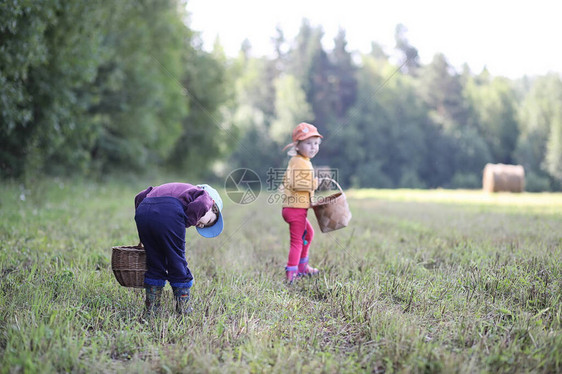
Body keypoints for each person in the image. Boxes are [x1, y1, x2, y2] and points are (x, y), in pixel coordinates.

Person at [134, 182, 224, 316]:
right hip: (169, 214)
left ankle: (151, 310)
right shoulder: (204, 196)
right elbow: (202, 203)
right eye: (208, 222)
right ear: (213, 207)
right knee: (177, 260)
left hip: (143, 212)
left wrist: (142, 218)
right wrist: (185, 222)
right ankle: (183, 309)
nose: (201, 226)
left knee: (154, 262)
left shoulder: (179, 190)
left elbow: (140, 196)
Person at [280, 122, 323, 283]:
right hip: (294, 209)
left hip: (297, 207)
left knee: (308, 234)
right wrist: (313, 184)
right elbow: (296, 184)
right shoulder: (298, 161)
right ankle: (292, 273)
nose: (313, 147)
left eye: (316, 144)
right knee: (297, 241)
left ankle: (302, 267)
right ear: (297, 145)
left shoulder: (304, 160)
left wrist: (311, 201)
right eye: (308, 143)